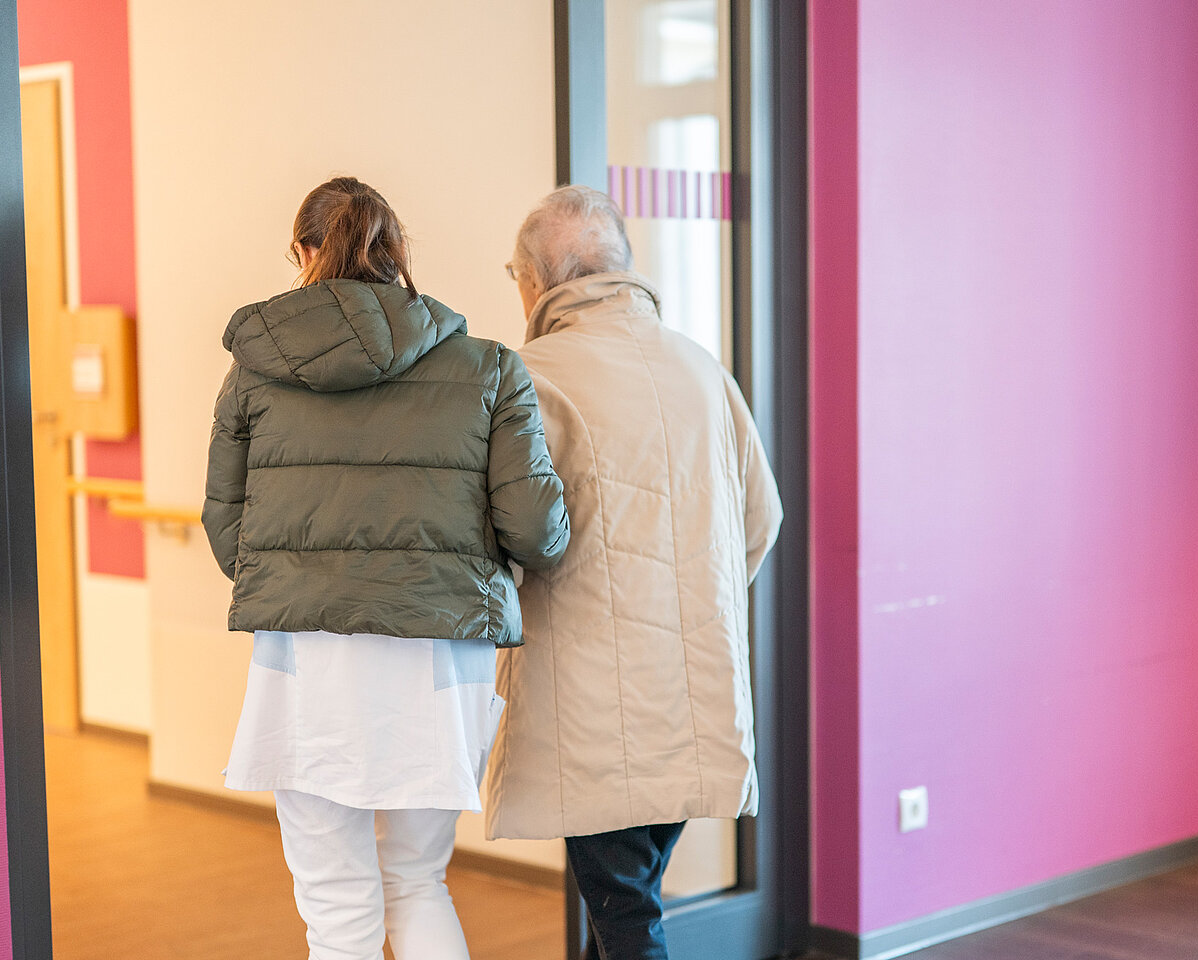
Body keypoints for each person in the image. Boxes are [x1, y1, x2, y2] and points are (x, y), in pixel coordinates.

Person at [202, 175, 570, 960]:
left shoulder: (254, 371)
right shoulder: (490, 368)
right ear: (397, 252)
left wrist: (298, 579)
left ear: (302, 252)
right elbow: (536, 530)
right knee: (418, 882)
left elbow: (227, 526)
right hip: (440, 654)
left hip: (304, 657)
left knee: (335, 905)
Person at [484, 185, 783, 960]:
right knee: (625, 905)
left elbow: (506, 534)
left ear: (535, 280)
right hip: (694, 698)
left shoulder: (530, 375)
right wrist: (698, 601)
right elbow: (762, 518)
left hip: (590, 709)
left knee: (626, 921)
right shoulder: (701, 369)